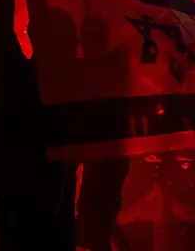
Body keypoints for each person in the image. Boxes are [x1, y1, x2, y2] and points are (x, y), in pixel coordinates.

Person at [0, 0, 78, 250]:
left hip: (35, 224)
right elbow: (0, 28)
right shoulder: (27, 80)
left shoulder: (71, 83)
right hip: (30, 224)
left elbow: (1, 29)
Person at [76, 15, 131, 251]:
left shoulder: (112, 69)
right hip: (98, 156)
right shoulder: (99, 67)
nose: (86, 46)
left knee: (100, 218)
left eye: (91, 40)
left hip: (109, 156)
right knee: (95, 216)